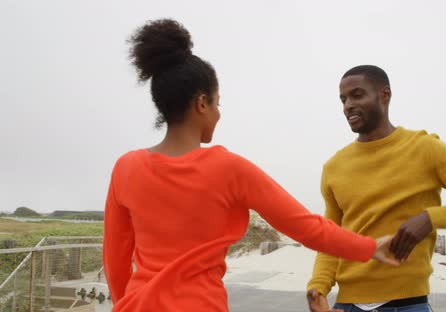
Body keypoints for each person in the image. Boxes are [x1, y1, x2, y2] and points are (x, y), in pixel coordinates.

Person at [102, 20, 399, 312]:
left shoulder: (126, 167)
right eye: (217, 103)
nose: (218, 114)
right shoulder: (228, 168)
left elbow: (115, 257)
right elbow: (306, 227)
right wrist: (370, 248)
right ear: (201, 103)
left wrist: (125, 303)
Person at [306, 65, 446, 312]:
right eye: (343, 99)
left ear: (385, 95)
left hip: (407, 304)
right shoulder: (334, 167)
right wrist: (317, 287)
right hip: (346, 304)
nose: (348, 105)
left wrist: (430, 218)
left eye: (357, 95)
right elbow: (331, 239)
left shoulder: (425, 149)